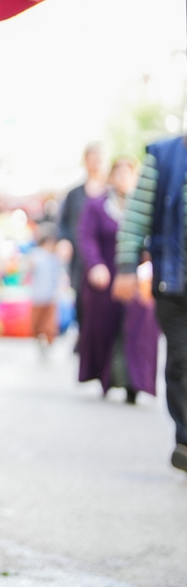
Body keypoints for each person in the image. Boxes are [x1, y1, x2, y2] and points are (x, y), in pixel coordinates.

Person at [113, 138, 187, 475]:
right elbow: (136, 217)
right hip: (174, 283)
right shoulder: (164, 155)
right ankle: (185, 440)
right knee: (182, 360)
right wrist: (127, 266)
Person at [76, 158, 161, 406]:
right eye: (119, 172)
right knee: (105, 330)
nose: (123, 177)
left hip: (139, 279)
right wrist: (95, 265)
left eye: (128, 173)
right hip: (106, 278)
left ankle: (135, 384)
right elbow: (86, 236)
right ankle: (107, 378)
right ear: (112, 176)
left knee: (139, 332)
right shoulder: (97, 205)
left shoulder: (145, 205)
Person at [58, 143, 108, 339]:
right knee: (81, 297)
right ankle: (85, 338)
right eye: (92, 158)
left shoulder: (111, 191)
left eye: (99, 158)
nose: (95, 162)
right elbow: (63, 223)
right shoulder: (74, 194)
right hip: (80, 258)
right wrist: (63, 241)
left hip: (105, 256)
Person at [28, 231, 64, 348]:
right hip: (38, 295)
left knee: (50, 323)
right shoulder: (36, 254)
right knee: (37, 322)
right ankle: (39, 339)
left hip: (51, 295)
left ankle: (48, 341)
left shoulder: (54, 257)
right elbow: (29, 267)